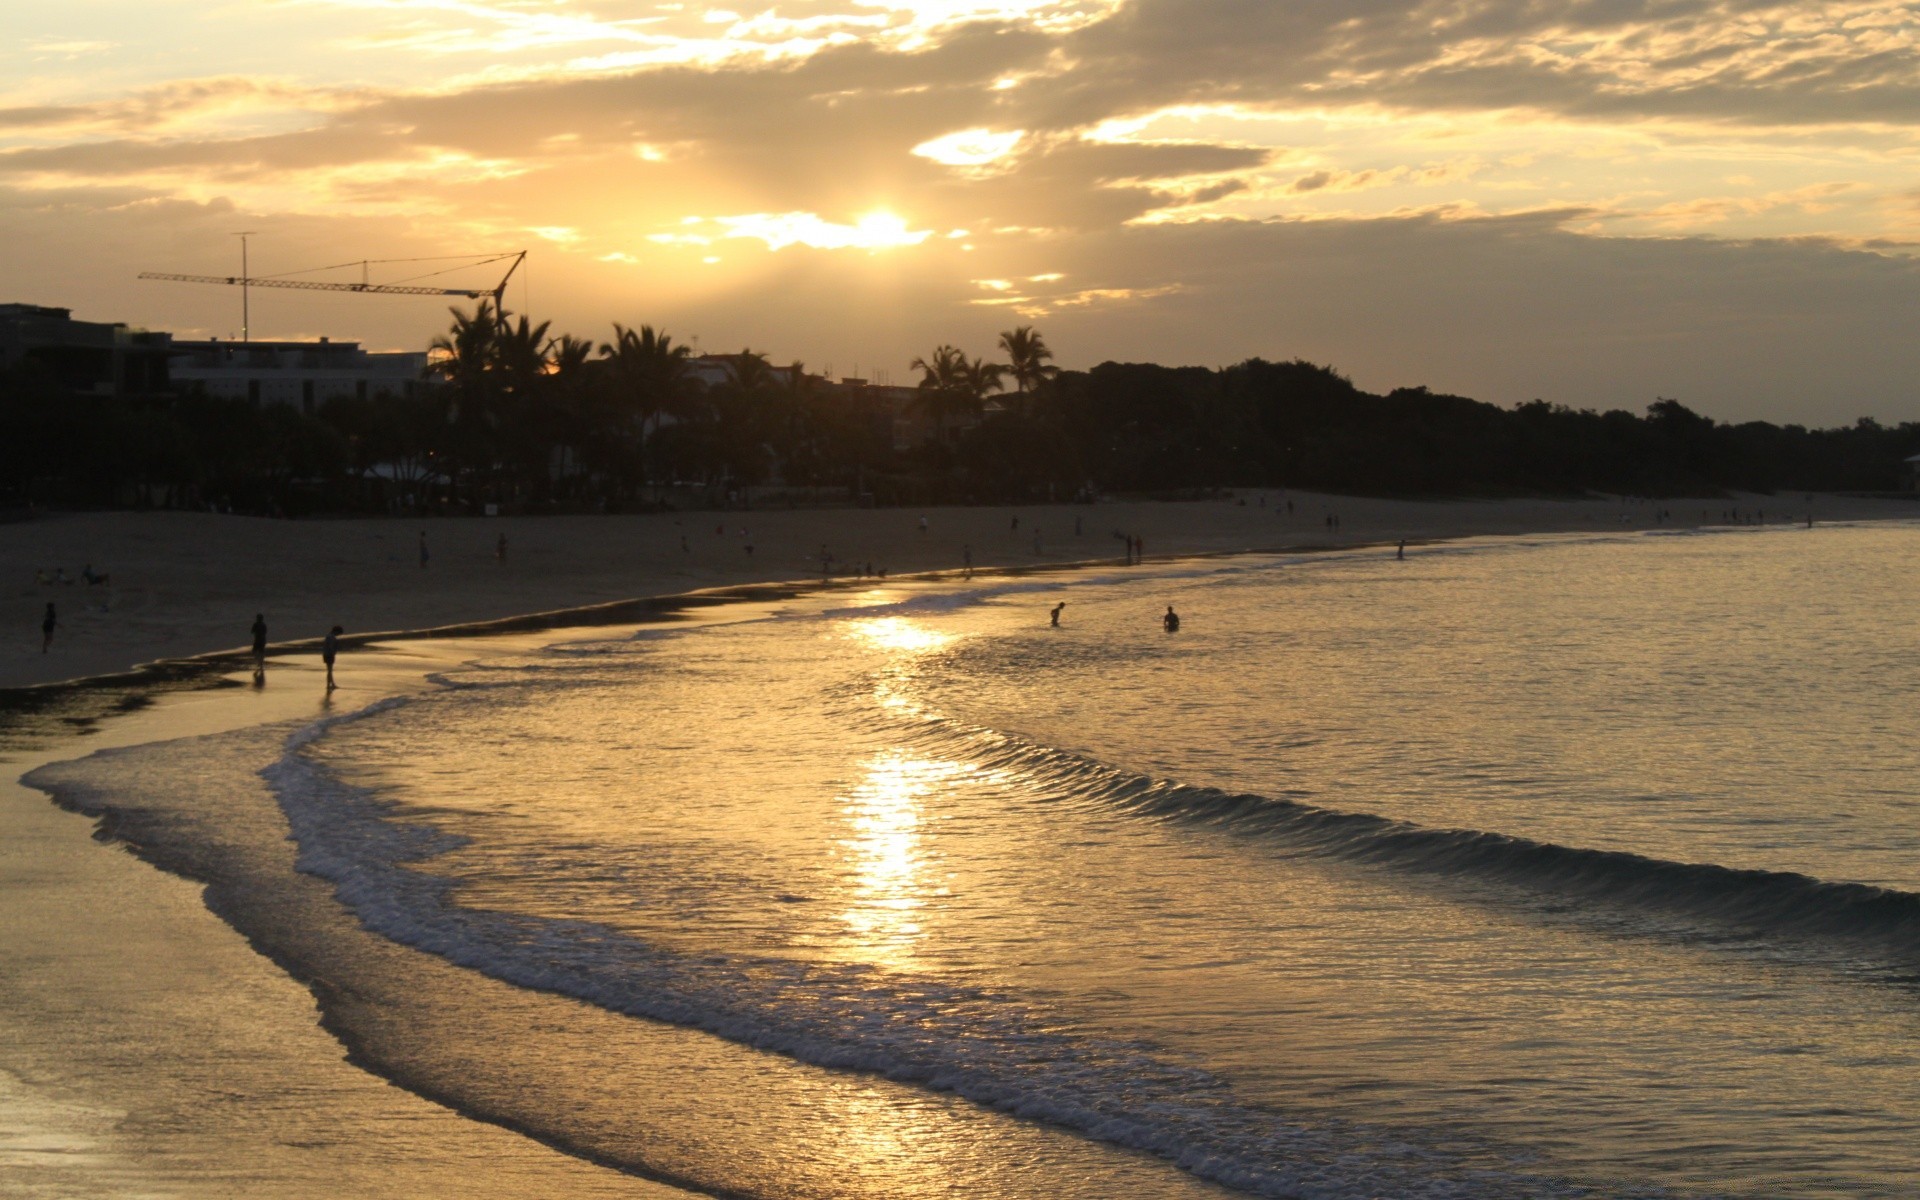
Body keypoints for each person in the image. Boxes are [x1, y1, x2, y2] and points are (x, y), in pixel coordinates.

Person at [322, 625, 342, 691]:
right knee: (330, 670)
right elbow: (331, 646)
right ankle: (330, 684)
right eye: (338, 633)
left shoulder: (328, 636)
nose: (338, 635)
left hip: (326, 654)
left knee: (329, 670)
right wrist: (333, 652)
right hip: (329, 654)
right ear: (336, 631)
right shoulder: (331, 637)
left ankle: (330, 684)